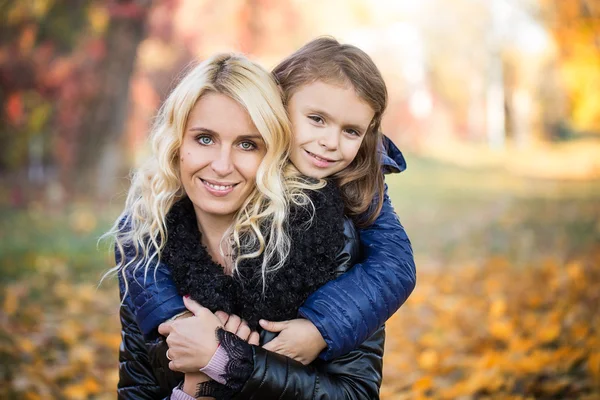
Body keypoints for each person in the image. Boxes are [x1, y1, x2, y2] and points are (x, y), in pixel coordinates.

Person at [113, 38, 414, 399]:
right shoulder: (151, 250)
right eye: (205, 139)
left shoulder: (344, 228)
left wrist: (235, 360)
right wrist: (179, 335)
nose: (330, 142)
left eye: (247, 144)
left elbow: (396, 265)